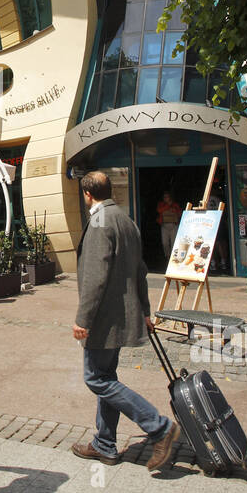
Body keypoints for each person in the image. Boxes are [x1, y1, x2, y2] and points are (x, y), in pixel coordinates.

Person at [71, 172, 180, 470]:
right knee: (106, 376)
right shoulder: (126, 221)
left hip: (105, 319)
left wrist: (83, 319)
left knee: (96, 378)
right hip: (122, 315)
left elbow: (95, 277)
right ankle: (105, 444)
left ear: (87, 194)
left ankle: (158, 427)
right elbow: (140, 271)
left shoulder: (99, 222)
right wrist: (145, 311)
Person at [155, 189, 181, 263]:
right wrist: (168, 205)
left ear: (170, 197)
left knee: (174, 243)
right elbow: (159, 210)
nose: (165, 198)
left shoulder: (175, 204)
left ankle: (173, 258)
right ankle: (167, 256)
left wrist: (174, 209)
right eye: (164, 197)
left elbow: (179, 213)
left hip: (174, 225)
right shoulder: (161, 204)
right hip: (164, 226)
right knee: (165, 243)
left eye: (167, 197)